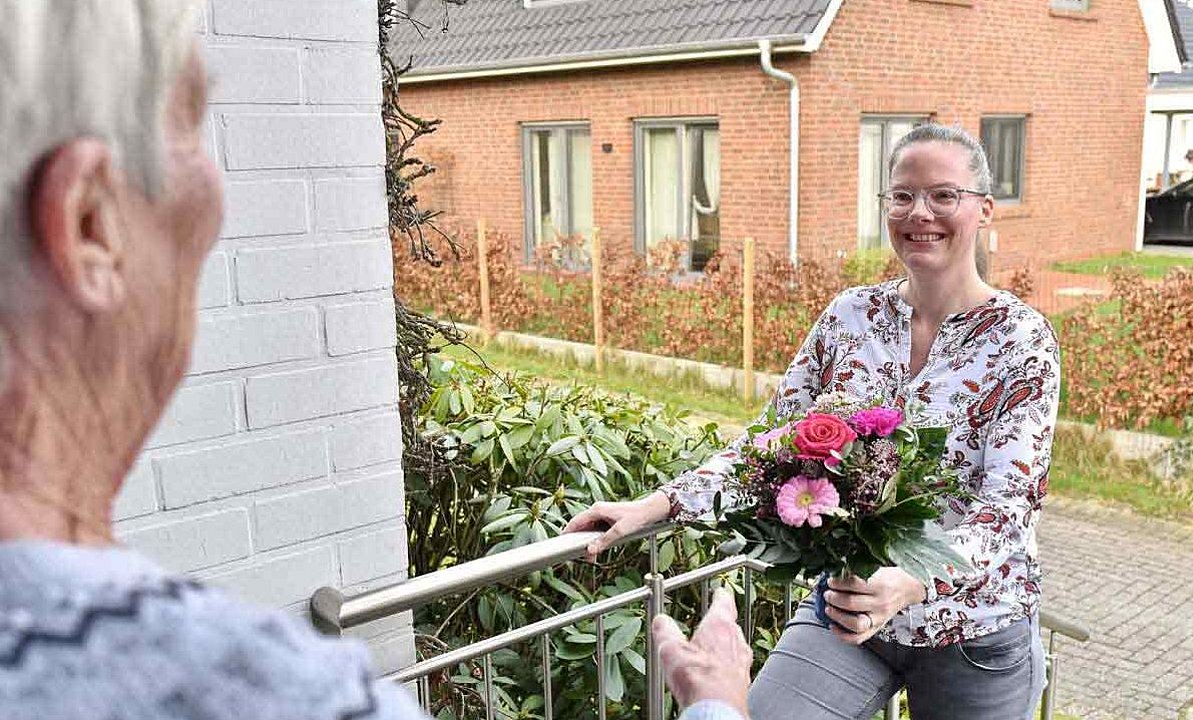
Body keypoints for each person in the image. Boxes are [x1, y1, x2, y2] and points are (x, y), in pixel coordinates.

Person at [0, 3, 761, 719]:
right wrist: (716, 702)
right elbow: (772, 446)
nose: (219, 194)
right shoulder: (258, 692)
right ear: (90, 223)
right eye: (194, 122)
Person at [566, 123, 1061, 720]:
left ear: (983, 209)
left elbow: (1007, 507)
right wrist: (658, 505)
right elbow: (769, 445)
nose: (919, 212)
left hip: (976, 633)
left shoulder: (1020, 339)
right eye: (902, 195)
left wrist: (910, 581)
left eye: (943, 195)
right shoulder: (850, 316)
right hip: (846, 608)